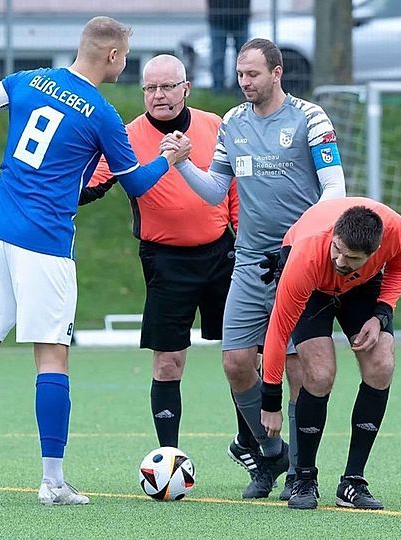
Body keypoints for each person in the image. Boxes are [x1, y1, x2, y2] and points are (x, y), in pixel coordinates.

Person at [0, 16, 188, 506]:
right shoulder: (103, 115)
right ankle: (53, 481)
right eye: (125, 57)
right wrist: (169, 158)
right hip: (45, 243)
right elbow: (135, 185)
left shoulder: (27, 80)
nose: (125, 64)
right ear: (111, 57)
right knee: (52, 356)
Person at [170, 37, 347, 499]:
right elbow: (214, 192)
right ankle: (271, 454)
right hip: (250, 261)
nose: (244, 82)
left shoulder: (311, 118)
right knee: (235, 362)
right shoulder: (232, 122)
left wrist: (304, 242)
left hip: (302, 261)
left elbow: (335, 189)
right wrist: (183, 164)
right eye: (240, 75)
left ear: (277, 72)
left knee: (295, 368)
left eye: (252, 74)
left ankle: (300, 475)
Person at [79, 54, 250, 452]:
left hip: (223, 256)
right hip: (166, 260)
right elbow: (92, 185)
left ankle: (251, 446)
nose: (159, 95)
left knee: (243, 360)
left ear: (185, 89)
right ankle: (169, 456)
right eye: (151, 88)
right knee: (168, 362)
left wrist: (244, 242)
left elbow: (237, 190)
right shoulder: (124, 136)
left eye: (168, 86)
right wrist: (47, 192)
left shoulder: (216, 126)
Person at [256, 197, 401, 511]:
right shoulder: (307, 258)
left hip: (362, 287)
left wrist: (381, 313)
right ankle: (304, 478)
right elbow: (278, 331)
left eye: (352, 257)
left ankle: (353, 482)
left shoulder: (400, 233)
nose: (341, 260)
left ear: (374, 252)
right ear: (334, 236)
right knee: (319, 373)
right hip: (313, 285)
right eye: (338, 249)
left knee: (381, 363)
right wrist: (270, 401)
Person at [207, 0, 250, 92]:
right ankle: (218, 88)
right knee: (218, 56)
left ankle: (240, 86)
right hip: (218, 17)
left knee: (242, 56)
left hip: (239, 17)